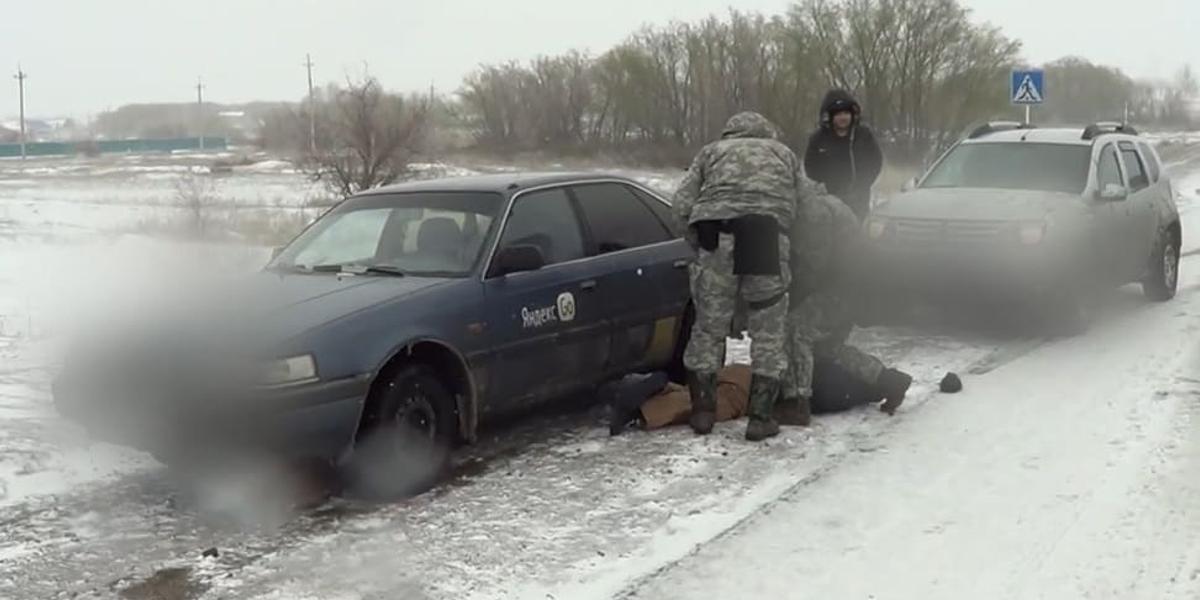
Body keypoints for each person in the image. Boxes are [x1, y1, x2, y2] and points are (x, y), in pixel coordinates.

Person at [673, 111, 802, 442]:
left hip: (717, 238)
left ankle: (703, 411)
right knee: (768, 330)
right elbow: (807, 205)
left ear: (730, 132)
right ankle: (760, 417)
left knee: (708, 328)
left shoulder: (710, 152)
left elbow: (680, 205)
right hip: (767, 239)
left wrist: (699, 244)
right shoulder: (783, 153)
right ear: (766, 131)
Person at [777, 188, 912, 424]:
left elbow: (814, 264)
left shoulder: (814, 211)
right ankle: (889, 380)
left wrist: (792, 295)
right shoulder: (825, 203)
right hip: (853, 285)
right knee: (827, 348)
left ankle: (797, 404)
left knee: (796, 329)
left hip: (841, 287)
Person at [803, 90, 884, 220]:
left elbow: (876, 162)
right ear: (829, 116)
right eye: (838, 114)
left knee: (857, 236)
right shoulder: (818, 139)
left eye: (846, 113)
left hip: (858, 199)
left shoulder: (863, 134)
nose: (843, 118)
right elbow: (810, 168)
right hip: (828, 201)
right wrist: (822, 188)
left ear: (853, 115)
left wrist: (863, 184)